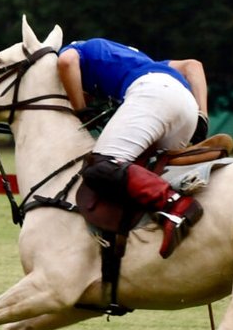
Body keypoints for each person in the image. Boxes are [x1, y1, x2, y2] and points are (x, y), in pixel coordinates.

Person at [56, 37, 208, 257]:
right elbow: (193, 66)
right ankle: (142, 238)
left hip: (152, 93)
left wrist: (80, 110)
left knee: (102, 165)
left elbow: (66, 62)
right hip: (186, 107)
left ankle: (178, 207)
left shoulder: (79, 49)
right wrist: (202, 113)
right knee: (144, 170)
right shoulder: (144, 61)